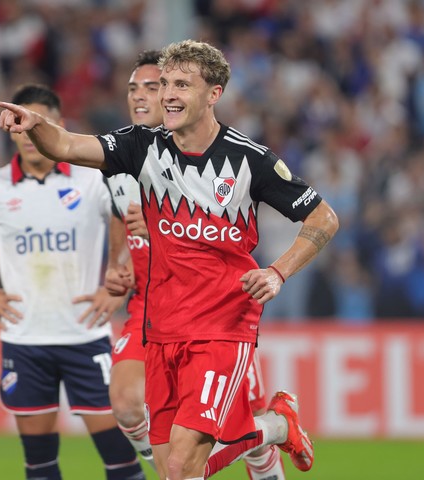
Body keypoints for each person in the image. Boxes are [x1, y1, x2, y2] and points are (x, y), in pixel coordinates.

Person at [0, 40, 339, 480]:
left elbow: (323, 218)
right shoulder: (141, 145)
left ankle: (271, 429)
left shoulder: (249, 159)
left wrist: (278, 272)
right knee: (173, 471)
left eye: (182, 84)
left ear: (214, 94)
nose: (169, 95)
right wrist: (35, 125)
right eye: (165, 85)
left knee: (179, 466)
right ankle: (274, 426)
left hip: (222, 325)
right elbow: (65, 145)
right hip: (160, 328)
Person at [0, 84, 145, 480]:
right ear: (11, 129)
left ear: (58, 126)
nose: (29, 134)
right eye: (20, 125)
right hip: (25, 340)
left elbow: (124, 215)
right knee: (39, 462)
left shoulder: (91, 179)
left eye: (37, 124)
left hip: (85, 335)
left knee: (120, 457)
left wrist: (113, 279)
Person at [105, 50, 288, 480]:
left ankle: (267, 445)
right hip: (150, 310)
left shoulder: (202, 152)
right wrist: (118, 261)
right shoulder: (119, 154)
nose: (144, 96)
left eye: (156, 86)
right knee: (127, 403)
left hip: (212, 310)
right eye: (136, 88)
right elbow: (116, 217)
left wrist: (159, 227)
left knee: (244, 417)